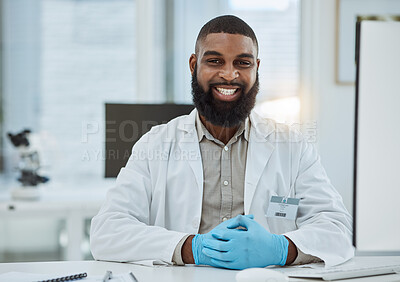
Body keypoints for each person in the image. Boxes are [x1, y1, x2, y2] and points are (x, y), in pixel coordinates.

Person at [90, 15, 354, 269]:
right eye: (215, 61)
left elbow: (337, 229)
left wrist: (281, 248)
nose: (229, 75)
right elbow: (107, 231)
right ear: (194, 65)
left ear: (257, 68)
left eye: (242, 63)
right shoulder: (155, 145)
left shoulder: (293, 147)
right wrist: (191, 248)